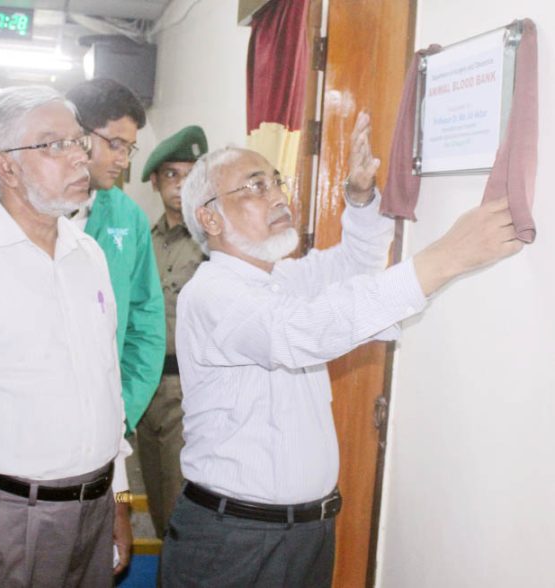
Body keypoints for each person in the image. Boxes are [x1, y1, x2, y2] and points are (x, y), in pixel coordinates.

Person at [160, 112, 523, 587]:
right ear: (210, 217)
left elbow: (356, 267)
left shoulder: (279, 279)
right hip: (235, 540)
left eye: (276, 181)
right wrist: (446, 256)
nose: (277, 195)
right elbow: (305, 331)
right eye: (255, 186)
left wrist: (358, 196)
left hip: (306, 533)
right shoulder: (211, 295)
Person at [0, 85, 133, 588]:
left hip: (93, 508)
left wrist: (118, 495)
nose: (80, 157)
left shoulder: (89, 254)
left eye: (79, 142)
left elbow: (107, 386)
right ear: (7, 167)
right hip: (6, 518)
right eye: (54, 144)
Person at [0, 78, 164, 434]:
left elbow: (146, 322)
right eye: (114, 144)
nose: (122, 160)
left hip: (101, 425)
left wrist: (123, 407)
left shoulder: (128, 219)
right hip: (3, 428)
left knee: (118, 494)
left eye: (130, 148)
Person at [136, 125, 208, 539]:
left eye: (191, 174)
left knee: (183, 508)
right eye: (172, 175)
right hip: (147, 388)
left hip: (190, 390)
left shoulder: (214, 243)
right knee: (150, 501)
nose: (181, 185)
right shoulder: (145, 240)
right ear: (155, 181)